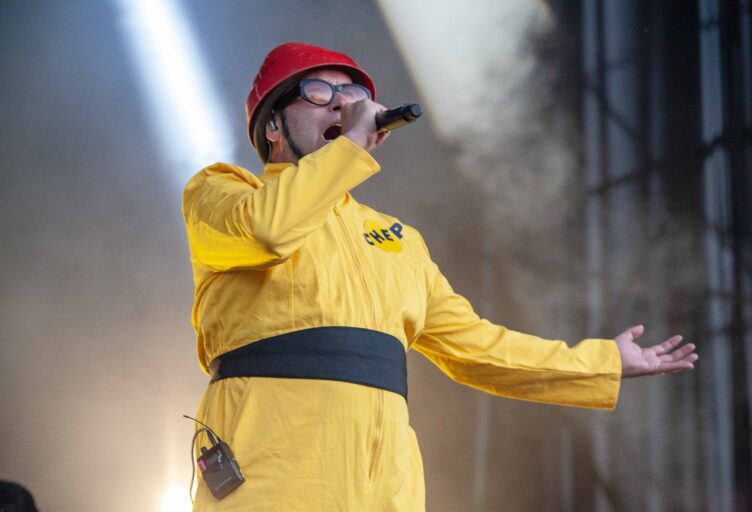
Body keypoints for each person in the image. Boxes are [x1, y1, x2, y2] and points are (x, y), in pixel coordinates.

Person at [181, 42, 698, 511]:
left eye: (353, 94)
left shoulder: (397, 239)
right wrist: (354, 140)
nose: (342, 105)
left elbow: (478, 348)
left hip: (386, 490)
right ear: (273, 125)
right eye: (319, 92)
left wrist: (601, 363)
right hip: (272, 480)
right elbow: (269, 231)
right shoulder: (222, 193)